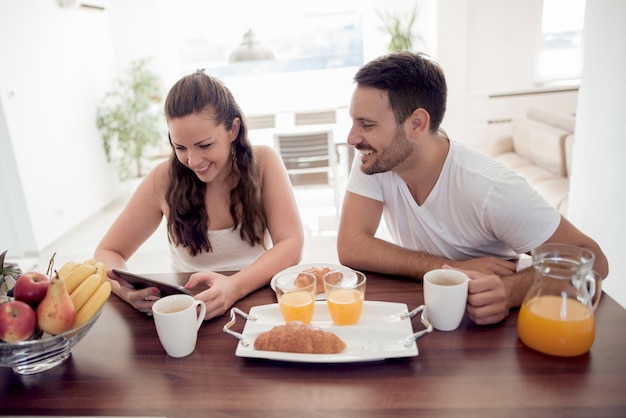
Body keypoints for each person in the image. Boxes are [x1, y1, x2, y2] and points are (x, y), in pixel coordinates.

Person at [337, 51, 609, 325]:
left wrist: (510, 290)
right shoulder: (375, 160)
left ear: (417, 124)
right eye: (353, 121)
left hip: (498, 328)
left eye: (367, 125)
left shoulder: (488, 187)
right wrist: (450, 269)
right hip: (437, 314)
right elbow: (352, 245)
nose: (352, 137)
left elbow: (594, 259)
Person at [94, 70, 304, 320]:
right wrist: (125, 291)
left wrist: (233, 287)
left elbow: (291, 244)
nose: (193, 161)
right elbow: (108, 252)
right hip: (188, 310)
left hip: (255, 301)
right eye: (180, 147)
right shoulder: (163, 179)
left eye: (205, 145)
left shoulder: (264, 163)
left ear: (233, 129)